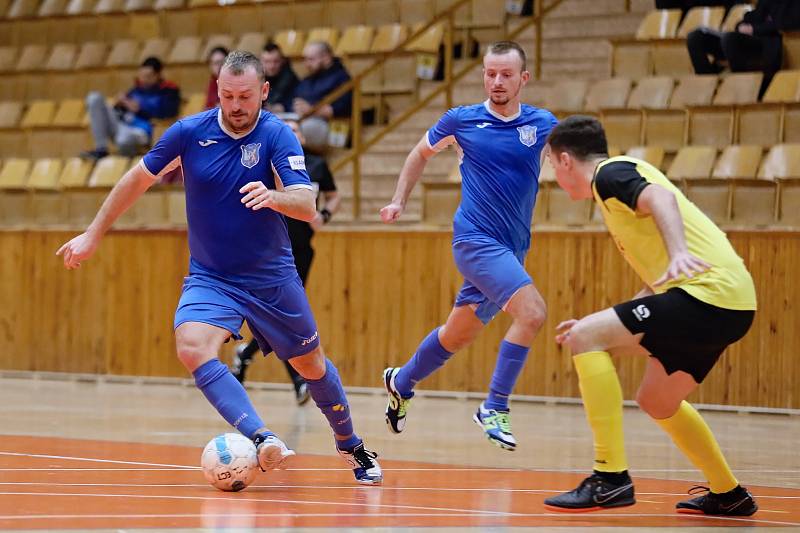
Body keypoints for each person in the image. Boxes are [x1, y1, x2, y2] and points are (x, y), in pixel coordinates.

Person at [57, 50, 382, 486]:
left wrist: (274, 196)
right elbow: (136, 179)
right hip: (212, 276)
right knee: (191, 345)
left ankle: (350, 443)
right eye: (227, 95)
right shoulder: (189, 132)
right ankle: (263, 437)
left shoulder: (277, 135)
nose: (235, 105)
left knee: (312, 366)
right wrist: (93, 234)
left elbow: (306, 203)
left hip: (271, 277)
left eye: (245, 96)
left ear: (264, 92)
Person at [541, 115, 757, 516]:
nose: (553, 175)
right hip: (733, 304)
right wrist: (604, 319)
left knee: (586, 338)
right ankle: (729, 493)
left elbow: (661, 198)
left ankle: (609, 479)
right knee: (657, 401)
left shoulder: (610, 174)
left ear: (565, 160)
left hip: (706, 296)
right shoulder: (615, 187)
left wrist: (677, 253)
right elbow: (659, 283)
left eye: (551, 165)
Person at [379, 41, 557, 451]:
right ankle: (494, 406)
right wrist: (399, 200)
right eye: (490, 73)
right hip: (475, 240)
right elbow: (418, 154)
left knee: (455, 336)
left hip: (513, 250)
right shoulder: (461, 120)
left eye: (506, 74)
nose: (496, 81)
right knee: (532, 313)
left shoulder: (542, 123)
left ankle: (401, 381)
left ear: (523, 79)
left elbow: (571, 161)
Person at [232, 116, 341, 405]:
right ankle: (298, 381)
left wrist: (325, 216)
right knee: (280, 316)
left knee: (283, 316)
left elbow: (333, 196)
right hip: (270, 251)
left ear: (302, 139)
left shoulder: (315, 166)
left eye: (294, 132)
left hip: (303, 250)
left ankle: (247, 354)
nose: (289, 135)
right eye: (285, 131)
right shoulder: (266, 166)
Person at [686, 0, 800, 99]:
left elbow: (789, 23)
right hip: (749, 40)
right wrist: (742, 25)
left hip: (771, 44)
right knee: (696, 37)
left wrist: (754, 29)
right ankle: (708, 86)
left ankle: (742, 88)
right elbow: (754, 16)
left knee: (730, 39)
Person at [81, 56, 180, 160]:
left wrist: (140, 110)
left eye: (148, 76)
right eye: (142, 76)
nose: (144, 80)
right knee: (94, 98)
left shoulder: (169, 91)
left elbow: (169, 113)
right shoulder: (136, 90)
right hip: (122, 124)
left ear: (158, 75)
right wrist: (118, 105)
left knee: (124, 140)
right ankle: (101, 149)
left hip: (142, 130)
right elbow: (121, 110)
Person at [292, 41, 352, 152]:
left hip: (331, 126)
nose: (306, 64)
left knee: (294, 131)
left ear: (326, 57)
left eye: (311, 59)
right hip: (302, 120)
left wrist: (310, 110)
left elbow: (339, 109)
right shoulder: (308, 80)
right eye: (305, 59)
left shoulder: (341, 78)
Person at [260, 43, 299, 114]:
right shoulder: (256, 79)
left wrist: (284, 107)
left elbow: (296, 102)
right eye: (267, 62)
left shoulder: (291, 79)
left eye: (276, 61)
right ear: (261, 62)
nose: (271, 66)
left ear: (282, 61)